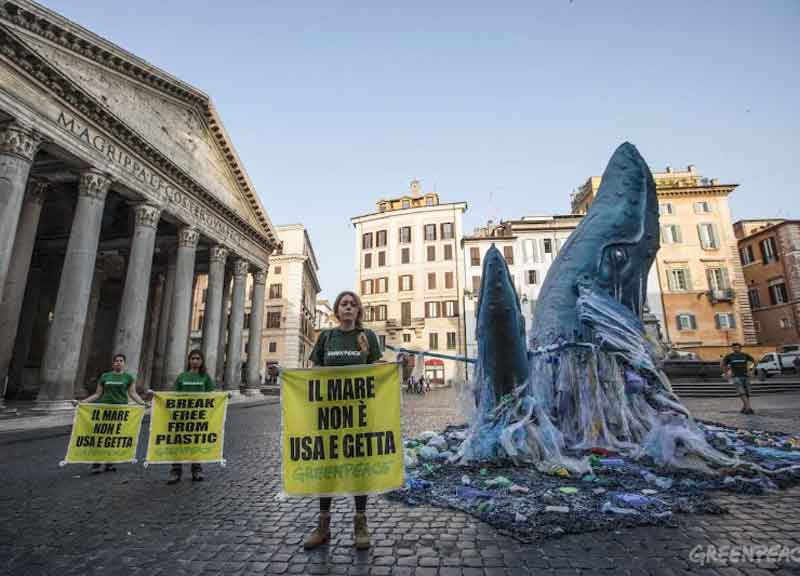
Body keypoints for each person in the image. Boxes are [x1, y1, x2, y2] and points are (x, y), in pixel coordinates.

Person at [303, 290, 383, 550]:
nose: (348, 307)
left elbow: (378, 369)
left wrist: (398, 366)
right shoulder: (326, 337)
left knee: (359, 467)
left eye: (352, 304)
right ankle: (323, 525)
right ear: (337, 311)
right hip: (329, 414)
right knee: (327, 468)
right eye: (343, 304)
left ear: (358, 311)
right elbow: (314, 371)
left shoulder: (367, 336)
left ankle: (360, 524)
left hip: (359, 414)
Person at [75, 353, 148, 474]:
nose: (118, 362)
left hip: (120, 411)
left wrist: (143, 403)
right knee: (101, 437)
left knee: (114, 437)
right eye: (116, 361)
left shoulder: (128, 378)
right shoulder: (105, 376)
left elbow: (133, 394)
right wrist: (81, 402)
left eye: (121, 361)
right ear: (113, 363)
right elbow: (97, 394)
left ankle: (109, 463)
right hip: (105, 410)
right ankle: (96, 464)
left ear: (124, 363)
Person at [167, 349, 216, 484]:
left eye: (197, 359)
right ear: (189, 361)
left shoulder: (205, 377)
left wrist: (224, 397)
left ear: (201, 361)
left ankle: (197, 470)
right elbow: (173, 395)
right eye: (192, 358)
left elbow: (212, 395)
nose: (195, 361)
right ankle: (176, 471)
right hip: (182, 417)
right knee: (178, 444)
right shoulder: (182, 377)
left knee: (196, 443)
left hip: (198, 417)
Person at [721, 343, 756, 415]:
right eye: (734, 348)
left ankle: (745, 407)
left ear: (740, 348)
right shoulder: (729, 356)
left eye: (737, 347)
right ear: (732, 348)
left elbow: (754, 362)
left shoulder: (745, 355)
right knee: (742, 392)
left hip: (746, 376)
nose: (736, 349)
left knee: (747, 393)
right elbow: (723, 365)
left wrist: (752, 371)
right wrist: (726, 374)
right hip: (736, 377)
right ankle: (748, 408)